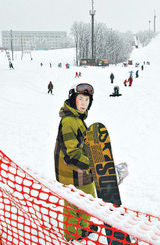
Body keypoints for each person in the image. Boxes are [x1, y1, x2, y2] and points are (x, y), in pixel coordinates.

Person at [54, 83, 98, 241]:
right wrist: (92, 166)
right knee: (76, 204)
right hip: (73, 172)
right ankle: (74, 234)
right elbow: (71, 154)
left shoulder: (77, 119)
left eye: (87, 100)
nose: (84, 103)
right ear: (73, 99)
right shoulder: (70, 122)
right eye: (80, 99)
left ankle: (82, 227)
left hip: (78, 171)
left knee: (84, 201)